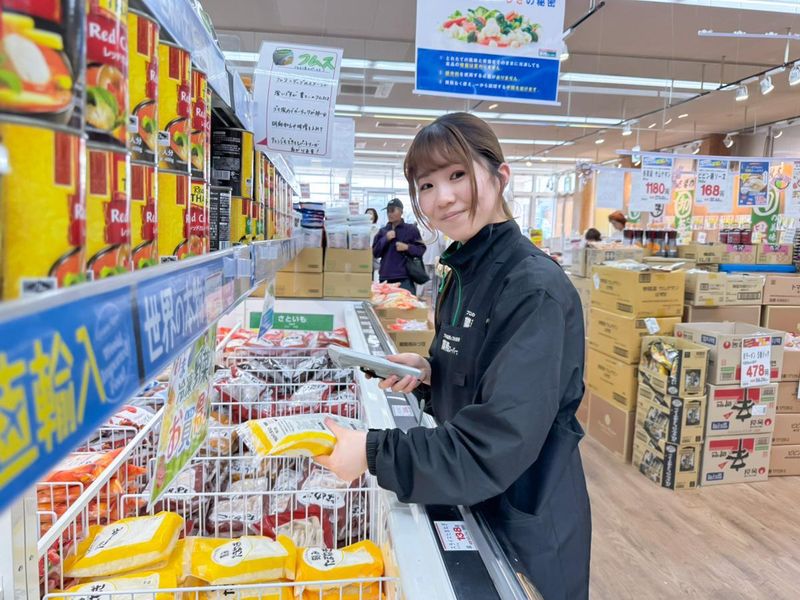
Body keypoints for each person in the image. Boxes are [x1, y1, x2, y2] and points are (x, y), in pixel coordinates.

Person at [317, 112, 591, 599]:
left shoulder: (533, 288)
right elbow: (487, 376)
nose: (442, 197)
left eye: (458, 174)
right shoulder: (464, 268)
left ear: (501, 176)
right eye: (426, 185)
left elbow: (496, 439)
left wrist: (373, 452)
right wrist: (431, 373)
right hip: (478, 501)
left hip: (524, 523)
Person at [371, 198, 425, 295]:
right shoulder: (383, 231)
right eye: (388, 211)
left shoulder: (411, 229)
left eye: (392, 210)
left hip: (404, 279)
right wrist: (385, 239)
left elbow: (421, 249)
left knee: (407, 304)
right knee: (386, 304)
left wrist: (407, 247)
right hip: (385, 278)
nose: (389, 214)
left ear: (401, 212)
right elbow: (375, 253)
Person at [365, 208, 380, 280]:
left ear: (375, 216)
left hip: (372, 255)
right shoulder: (362, 228)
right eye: (367, 214)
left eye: (371, 214)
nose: (369, 215)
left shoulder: (377, 229)